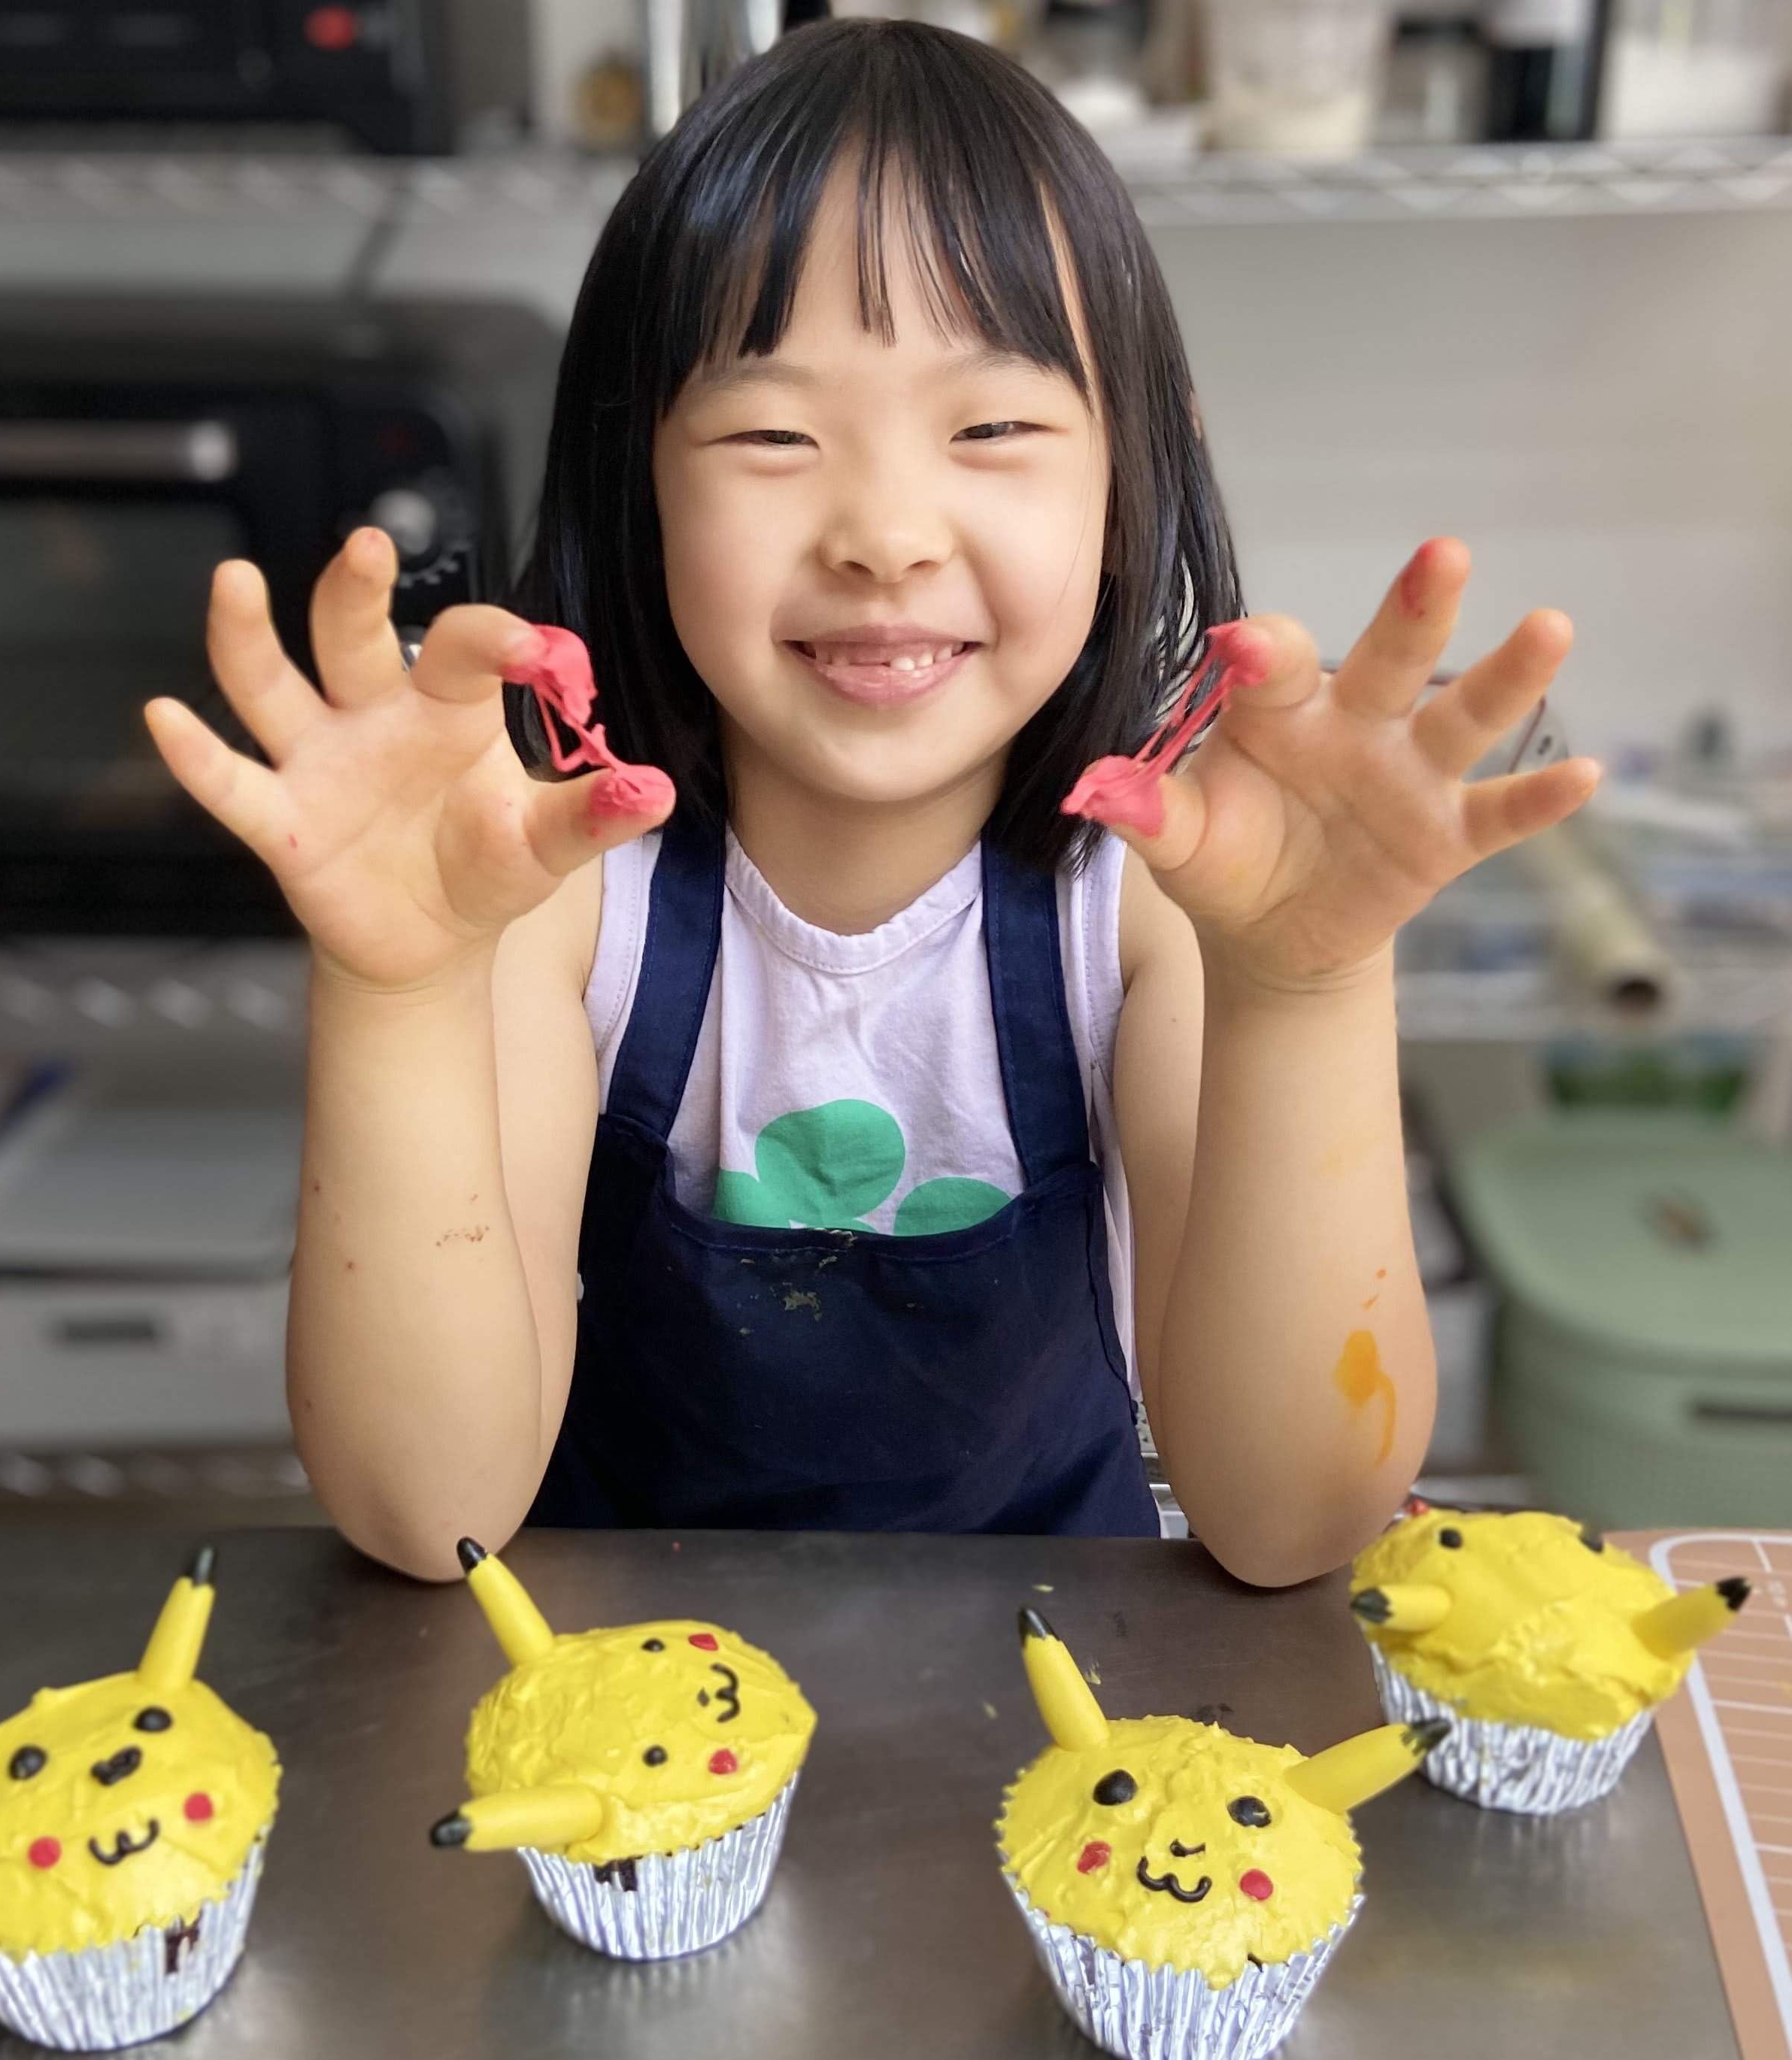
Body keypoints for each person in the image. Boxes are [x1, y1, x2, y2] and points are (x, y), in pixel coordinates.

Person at [144, 21, 1596, 1585]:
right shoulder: (567, 894)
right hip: (621, 1727)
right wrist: (400, 990)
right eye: (773, 434)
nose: (885, 533)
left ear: (1126, 484)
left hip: (1067, 1717)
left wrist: (1304, 988)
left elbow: (1289, 1521)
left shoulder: (1151, 911)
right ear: (635, 488)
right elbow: (429, 1514)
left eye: (991, 428)